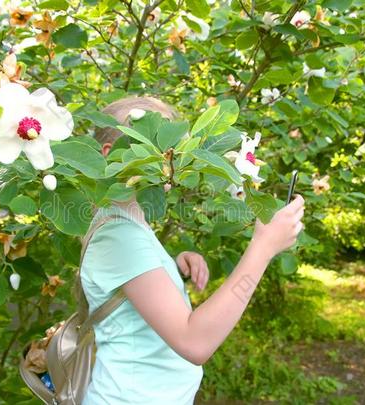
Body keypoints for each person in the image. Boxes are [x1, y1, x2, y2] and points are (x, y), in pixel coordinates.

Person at [78, 96, 305, 404]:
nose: (169, 162)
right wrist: (263, 248)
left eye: (172, 150)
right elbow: (195, 342)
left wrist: (172, 267)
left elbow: (131, 292)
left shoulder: (126, 223)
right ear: (111, 155)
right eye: (157, 149)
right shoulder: (118, 235)